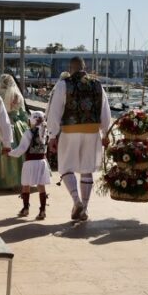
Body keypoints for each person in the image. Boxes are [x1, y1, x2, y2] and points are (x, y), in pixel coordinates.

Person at [46, 58, 111, 222]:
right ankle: (85, 208)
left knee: (66, 166)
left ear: (71, 68)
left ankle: (77, 201)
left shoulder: (63, 84)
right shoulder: (97, 84)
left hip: (70, 130)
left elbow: (54, 111)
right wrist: (105, 132)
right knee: (87, 169)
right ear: (84, 68)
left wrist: (52, 135)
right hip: (92, 131)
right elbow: (105, 109)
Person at [9, 111, 52, 219]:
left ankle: (25, 209)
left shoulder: (29, 132)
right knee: (41, 185)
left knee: (25, 185)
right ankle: (42, 210)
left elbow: (21, 149)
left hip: (30, 162)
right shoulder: (46, 132)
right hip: (42, 162)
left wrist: (9, 152)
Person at [0, 74, 30, 190]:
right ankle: (17, 180)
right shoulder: (17, 95)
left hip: (0, 126)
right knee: (18, 150)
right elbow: (23, 114)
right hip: (16, 125)